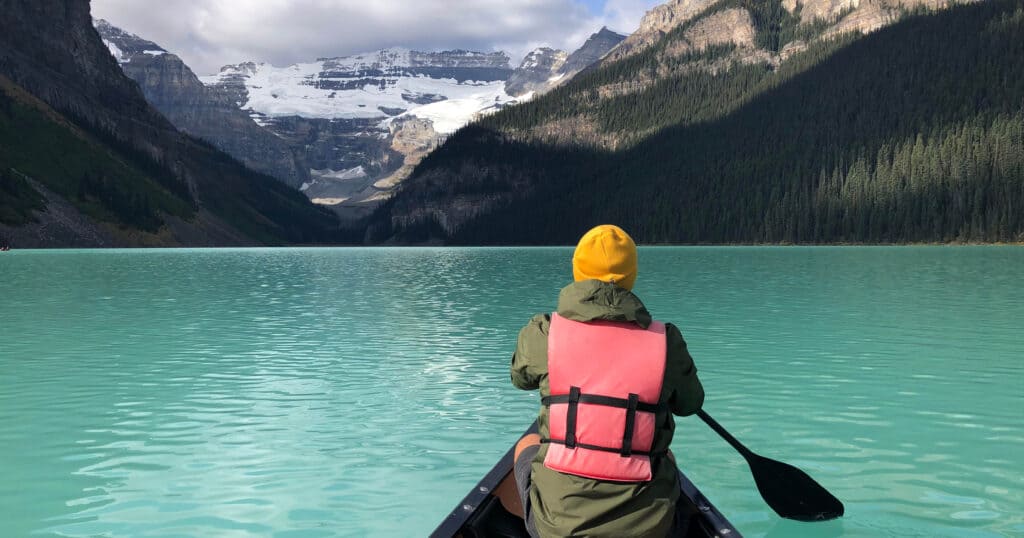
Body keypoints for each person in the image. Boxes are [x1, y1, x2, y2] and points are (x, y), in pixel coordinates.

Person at [510, 224, 704, 538]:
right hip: (650, 529)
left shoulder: (543, 331)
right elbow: (691, 403)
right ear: (631, 277)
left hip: (558, 529)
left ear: (577, 272)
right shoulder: (666, 341)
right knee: (666, 456)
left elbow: (519, 378)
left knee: (528, 444)